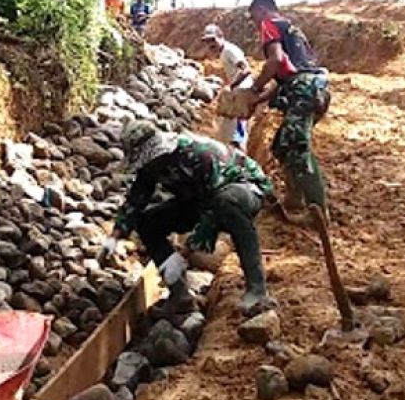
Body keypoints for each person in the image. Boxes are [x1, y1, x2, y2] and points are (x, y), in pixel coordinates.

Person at [103, 120, 276, 316]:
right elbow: (137, 199)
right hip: (201, 198)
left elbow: (213, 211)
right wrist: (115, 236)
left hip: (244, 188)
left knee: (228, 205)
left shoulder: (197, 156)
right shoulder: (151, 166)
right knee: (148, 223)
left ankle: (257, 289)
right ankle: (180, 296)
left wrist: (183, 255)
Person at [246, 0, 331, 218]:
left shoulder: (269, 24)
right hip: (313, 89)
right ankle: (295, 198)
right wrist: (260, 98)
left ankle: (318, 211)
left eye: (254, 17)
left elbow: (274, 61)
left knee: (296, 146)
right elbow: (288, 76)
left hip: (304, 90)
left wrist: (254, 88)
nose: (255, 24)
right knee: (281, 145)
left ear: (262, 10)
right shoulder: (294, 31)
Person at [201, 24, 253, 150]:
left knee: (236, 132)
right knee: (229, 130)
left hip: (240, 93)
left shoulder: (230, 50)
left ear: (221, 37)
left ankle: (241, 163)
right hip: (237, 92)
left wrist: (231, 86)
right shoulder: (224, 51)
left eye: (213, 40)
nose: (210, 44)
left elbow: (246, 70)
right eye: (207, 41)